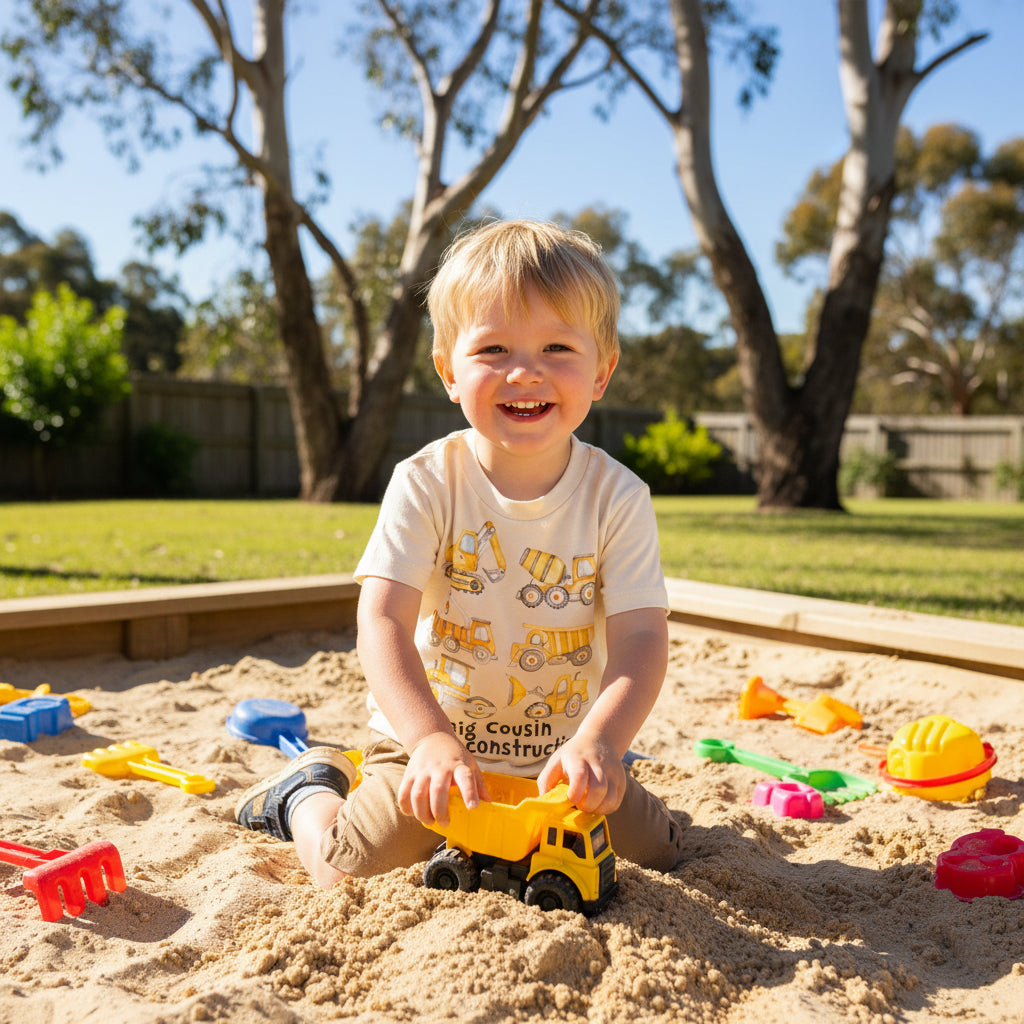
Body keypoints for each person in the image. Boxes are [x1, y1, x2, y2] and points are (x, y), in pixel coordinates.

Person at [236, 219, 684, 885]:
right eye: (494, 348)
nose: (525, 371)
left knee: (662, 853)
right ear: (449, 371)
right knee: (348, 869)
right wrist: (427, 741)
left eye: (558, 347)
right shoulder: (427, 482)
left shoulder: (616, 497)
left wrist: (603, 743)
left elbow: (643, 637)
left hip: (562, 755)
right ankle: (304, 793)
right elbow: (383, 620)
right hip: (438, 755)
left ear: (602, 372)